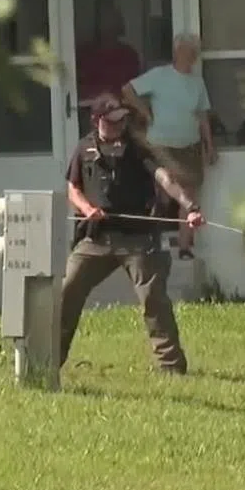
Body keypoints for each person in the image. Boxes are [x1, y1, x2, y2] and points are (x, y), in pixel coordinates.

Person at [60, 94, 205, 375]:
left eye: (122, 120)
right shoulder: (83, 148)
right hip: (96, 238)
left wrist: (190, 206)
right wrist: (87, 208)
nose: (119, 126)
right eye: (113, 122)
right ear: (97, 120)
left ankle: (172, 368)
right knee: (68, 291)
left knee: (154, 299)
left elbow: (166, 179)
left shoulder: (138, 147)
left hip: (138, 239)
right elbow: (73, 189)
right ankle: (47, 360)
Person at [122, 33, 216, 261]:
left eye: (195, 51)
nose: (193, 55)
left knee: (190, 196)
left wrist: (209, 145)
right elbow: (127, 90)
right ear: (177, 51)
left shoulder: (197, 82)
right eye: (189, 50)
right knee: (164, 194)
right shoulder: (160, 75)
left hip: (189, 145)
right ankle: (152, 242)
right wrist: (145, 112)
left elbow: (202, 115)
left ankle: (184, 246)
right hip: (162, 146)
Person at [75, 5, 141, 135]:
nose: (108, 28)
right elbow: (77, 86)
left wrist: (116, 99)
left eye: (113, 23)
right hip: (90, 111)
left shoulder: (128, 54)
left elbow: (134, 86)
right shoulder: (86, 53)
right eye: (105, 23)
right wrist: (97, 99)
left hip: (121, 110)